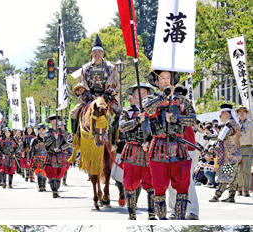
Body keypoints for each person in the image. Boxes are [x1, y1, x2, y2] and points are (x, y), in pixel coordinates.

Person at [143, 70, 196, 219]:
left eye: (168, 78)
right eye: (162, 78)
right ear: (156, 81)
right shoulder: (151, 99)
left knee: (183, 186)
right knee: (159, 187)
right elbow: (147, 109)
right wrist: (164, 96)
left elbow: (192, 119)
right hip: (158, 148)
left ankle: (180, 218)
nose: (166, 81)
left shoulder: (181, 100)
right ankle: (162, 219)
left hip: (179, 148)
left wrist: (176, 119)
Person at [70, 34, 120, 136]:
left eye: (99, 51)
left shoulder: (110, 68)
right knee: (74, 112)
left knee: (119, 111)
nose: (97, 54)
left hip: (106, 98)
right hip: (89, 97)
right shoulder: (86, 68)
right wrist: (88, 95)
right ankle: (74, 136)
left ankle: (115, 138)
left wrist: (106, 95)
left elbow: (114, 83)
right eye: (95, 52)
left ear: (103, 53)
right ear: (91, 53)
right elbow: (82, 83)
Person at [119, 83, 155, 220]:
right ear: (133, 95)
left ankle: (152, 214)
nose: (141, 95)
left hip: (149, 151)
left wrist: (150, 142)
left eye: (145, 93)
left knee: (152, 184)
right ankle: (132, 214)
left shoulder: (154, 111)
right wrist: (136, 121)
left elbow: (159, 129)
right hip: (132, 151)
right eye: (138, 93)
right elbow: (122, 127)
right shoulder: (127, 111)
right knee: (129, 184)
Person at [209, 104, 241, 203]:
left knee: (225, 175)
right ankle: (231, 197)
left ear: (226, 113)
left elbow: (221, 137)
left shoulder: (229, 124)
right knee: (233, 177)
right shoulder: (234, 123)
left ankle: (216, 196)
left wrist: (210, 137)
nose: (220, 116)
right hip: (235, 154)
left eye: (221, 113)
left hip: (229, 155)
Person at [44, 114, 72, 198]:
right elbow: (45, 144)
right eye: (53, 121)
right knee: (51, 173)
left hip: (60, 155)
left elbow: (68, 144)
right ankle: (54, 191)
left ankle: (57, 189)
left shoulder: (63, 133)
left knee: (59, 174)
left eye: (56, 121)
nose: (54, 122)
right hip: (51, 154)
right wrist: (53, 138)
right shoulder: (48, 133)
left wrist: (60, 148)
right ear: (50, 122)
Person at [236, 106, 253, 197]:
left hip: (248, 148)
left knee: (246, 170)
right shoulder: (235, 124)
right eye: (240, 112)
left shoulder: (250, 124)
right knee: (239, 170)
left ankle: (245, 190)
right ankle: (239, 188)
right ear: (237, 114)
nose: (241, 114)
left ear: (246, 113)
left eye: (243, 112)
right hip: (237, 149)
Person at [30, 124, 47, 192]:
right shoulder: (34, 140)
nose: (41, 131)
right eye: (40, 130)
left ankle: (44, 186)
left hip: (46, 158)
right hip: (37, 158)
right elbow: (31, 150)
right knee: (39, 173)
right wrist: (29, 159)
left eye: (43, 130)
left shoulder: (48, 139)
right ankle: (40, 186)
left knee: (45, 173)